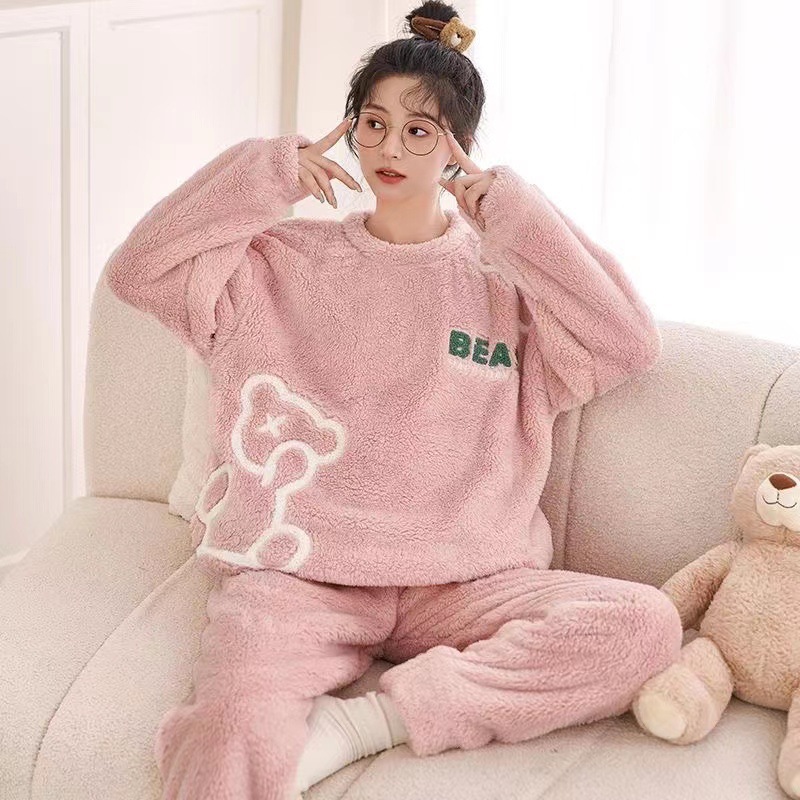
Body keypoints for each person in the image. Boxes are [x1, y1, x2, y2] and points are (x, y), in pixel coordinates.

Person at [104, 2, 682, 798]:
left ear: (459, 148)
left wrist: (513, 215)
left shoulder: (505, 286)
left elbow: (626, 342)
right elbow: (139, 271)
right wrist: (264, 176)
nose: (389, 148)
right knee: (229, 730)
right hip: (301, 575)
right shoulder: (279, 263)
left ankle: (366, 726)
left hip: (466, 581)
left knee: (644, 625)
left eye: (418, 130)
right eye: (372, 124)